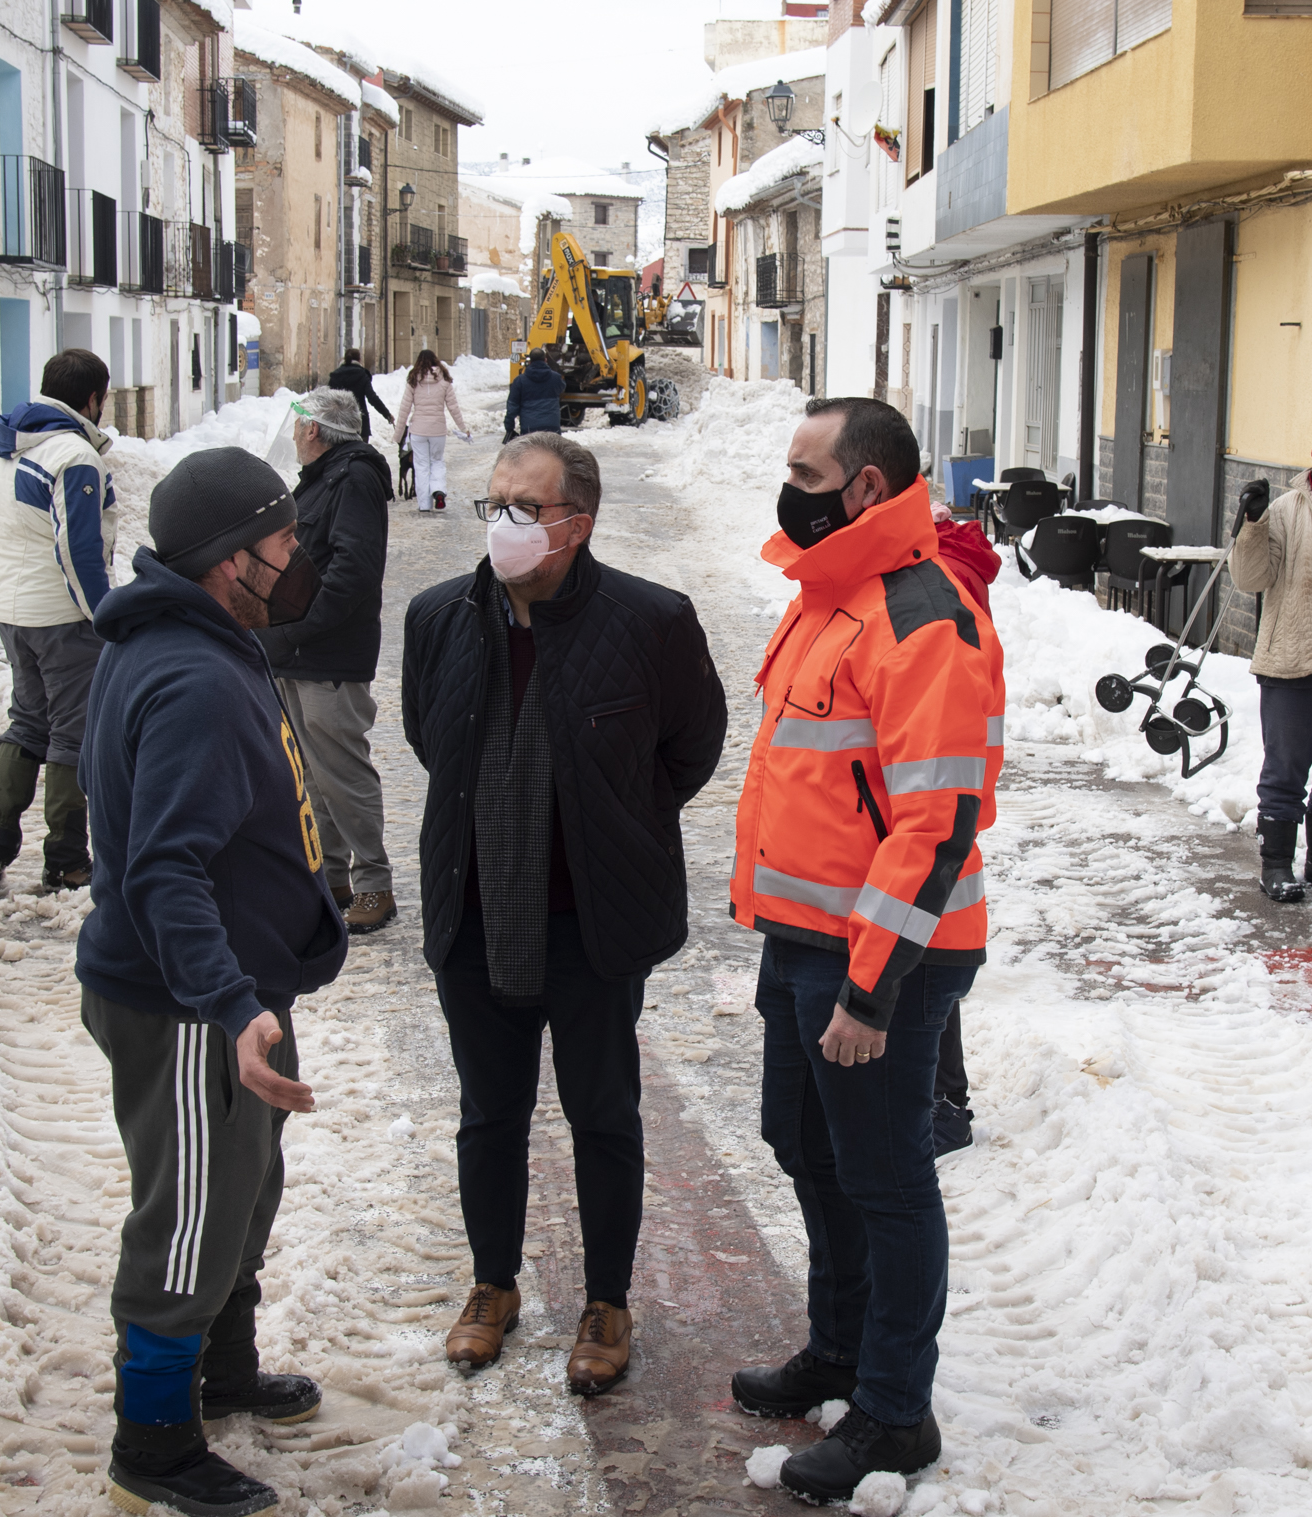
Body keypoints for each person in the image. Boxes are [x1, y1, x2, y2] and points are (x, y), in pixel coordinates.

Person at [402, 432, 727, 1397]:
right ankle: (492, 1283)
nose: (501, 521)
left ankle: (606, 1298)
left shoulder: (651, 620)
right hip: (473, 906)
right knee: (488, 1112)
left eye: (524, 507)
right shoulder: (437, 616)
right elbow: (432, 740)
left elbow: (688, 750)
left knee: (601, 1113)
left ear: (576, 525)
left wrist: (606, 822)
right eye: (492, 502)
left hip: (591, 922)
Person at [727, 397, 1006, 1505]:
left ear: (868, 487)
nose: (788, 483)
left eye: (807, 467)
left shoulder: (925, 615)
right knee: (801, 1141)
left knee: (887, 1182)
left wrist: (872, 988)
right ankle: (837, 1347)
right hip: (805, 937)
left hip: (883, 959)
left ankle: (895, 1408)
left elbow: (934, 821)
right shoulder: (831, 597)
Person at [77, 446, 349, 1517]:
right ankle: (153, 1440)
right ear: (231, 559)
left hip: (236, 992)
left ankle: (224, 1368)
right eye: (283, 540)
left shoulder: (199, 638)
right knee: (187, 1215)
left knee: (242, 1189)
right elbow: (166, 868)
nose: (297, 556)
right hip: (191, 1002)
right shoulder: (190, 675)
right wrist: (232, 1006)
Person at [0, 348, 116, 894]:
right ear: (93, 398)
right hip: (64, 621)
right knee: (73, 735)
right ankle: (67, 859)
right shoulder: (74, 455)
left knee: (27, 722)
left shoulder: (9, 444)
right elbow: (80, 551)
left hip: (15, 614)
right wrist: (106, 617)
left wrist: (6, 573)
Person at [258, 388, 399, 935]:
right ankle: (332, 876)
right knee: (312, 773)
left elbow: (354, 572)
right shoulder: (321, 479)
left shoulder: (354, 477)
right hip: (295, 649)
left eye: (298, 427)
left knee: (342, 771)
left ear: (314, 431)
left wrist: (299, 627)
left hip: (328, 652)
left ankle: (374, 884)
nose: (293, 436)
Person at [925, 498, 1001, 1158]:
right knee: (930, 955)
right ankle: (945, 1098)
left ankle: (945, 1104)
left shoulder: (937, 587)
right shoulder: (956, 568)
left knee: (925, 954)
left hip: (936, 814)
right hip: (955, 811)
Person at [1229, 467, 1312, 903]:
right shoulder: (1287, 510)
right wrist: (1253, 525)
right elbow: (1249, 580)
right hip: (1291, 660)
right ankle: (1276, 866)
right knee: (1285, 770)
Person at [393, 349, 470, 513]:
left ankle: (424, 505)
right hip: (438, 430)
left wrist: (398, 434)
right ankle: (438, 490)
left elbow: (404, 409)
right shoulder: (444, 380)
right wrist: (463, 428)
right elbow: (453, 407)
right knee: (437, 461)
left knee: (421, 466)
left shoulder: (413, 380)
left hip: (418, 430)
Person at [326, 346, 394, 442]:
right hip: (360, 422)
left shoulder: (336, 375)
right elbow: (372, 398)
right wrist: (387, 414)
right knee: (360, 454)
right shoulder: (362, 374)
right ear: (359, 359)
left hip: (340, 422)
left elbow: (328, 398)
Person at [503, 348, 567, 443]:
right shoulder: (556, 378)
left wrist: (509, 427)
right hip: (552, 428)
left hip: (529, 429)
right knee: (552, 455)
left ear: (529, 362)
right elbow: (562, 388)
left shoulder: (520, 381)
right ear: (545, 360)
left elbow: (512, 407)